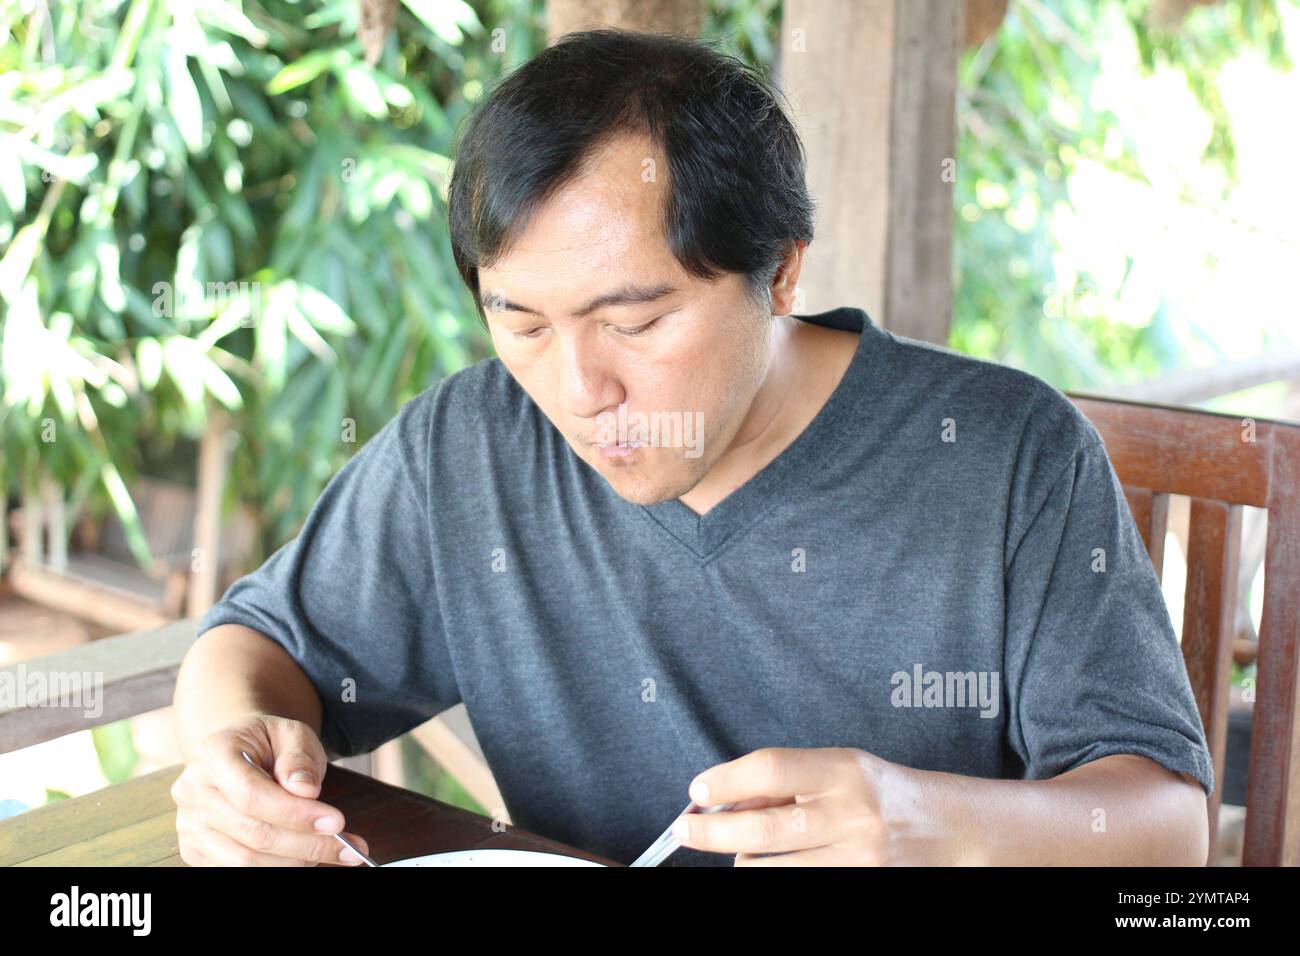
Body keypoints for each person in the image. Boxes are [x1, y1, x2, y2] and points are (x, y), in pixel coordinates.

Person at [171, 29, 1212, 867]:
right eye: (521, 322)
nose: (579, 390)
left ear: (781, 272)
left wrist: (928, 824)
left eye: (634, 321)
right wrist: (232, 762)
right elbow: (256, 646)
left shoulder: (1005, 454)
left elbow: (1168, 826)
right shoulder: (471, 447)